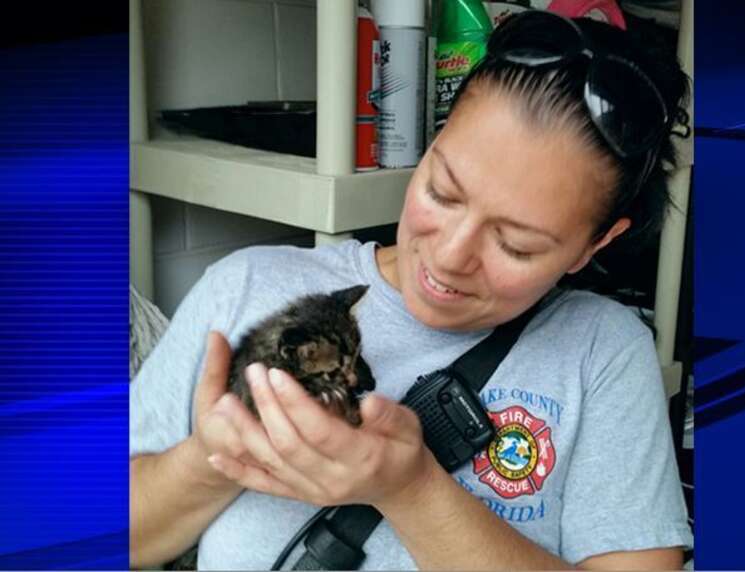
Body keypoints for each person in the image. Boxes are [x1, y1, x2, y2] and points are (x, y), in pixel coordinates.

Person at [130, 10, 693, 570]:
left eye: (516, 245)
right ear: (430, 142)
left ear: (592, 246)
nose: (449, 258)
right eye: (442, 192)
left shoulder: (603, 355)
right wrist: (210, 460)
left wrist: (413, 490)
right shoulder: (247, 286)